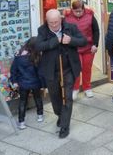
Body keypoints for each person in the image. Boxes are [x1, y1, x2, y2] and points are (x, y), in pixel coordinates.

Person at [36, 9, 87, 138]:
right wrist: (56, 40)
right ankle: (60, 114)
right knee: (55, 97)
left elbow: (83, 41)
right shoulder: (42, 30)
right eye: (50, 23)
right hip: (51, 70)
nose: (54, 25)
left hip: (68, 69)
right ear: (46, 21)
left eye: (56, 22)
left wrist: (71, 40)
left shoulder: (71, 27)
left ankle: (65, 126)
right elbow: (39, 46)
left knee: (67, 97)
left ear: (61, 19)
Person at [64, 0, 99, 100]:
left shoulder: (90, 16)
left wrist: (95, 44)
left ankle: (87, 87)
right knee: (76, 69)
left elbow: (96, 30)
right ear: (72, 10)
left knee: (87, 68)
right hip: (74, 48)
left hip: (88, 47)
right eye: (76, 11)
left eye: (80, 11)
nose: (78, 13)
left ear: (84, 9)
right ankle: (75, 89)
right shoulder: (67, 17)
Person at [10, 37, 44, 130]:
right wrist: (43, 84)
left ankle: (21, 122)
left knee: (22, 102)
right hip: (35, 82)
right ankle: (40, 115)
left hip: (23, 83)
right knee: (38, 98)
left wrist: (14, 81)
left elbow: (13, 70)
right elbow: (40, 72)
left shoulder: (18, 56)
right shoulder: (37, 56)